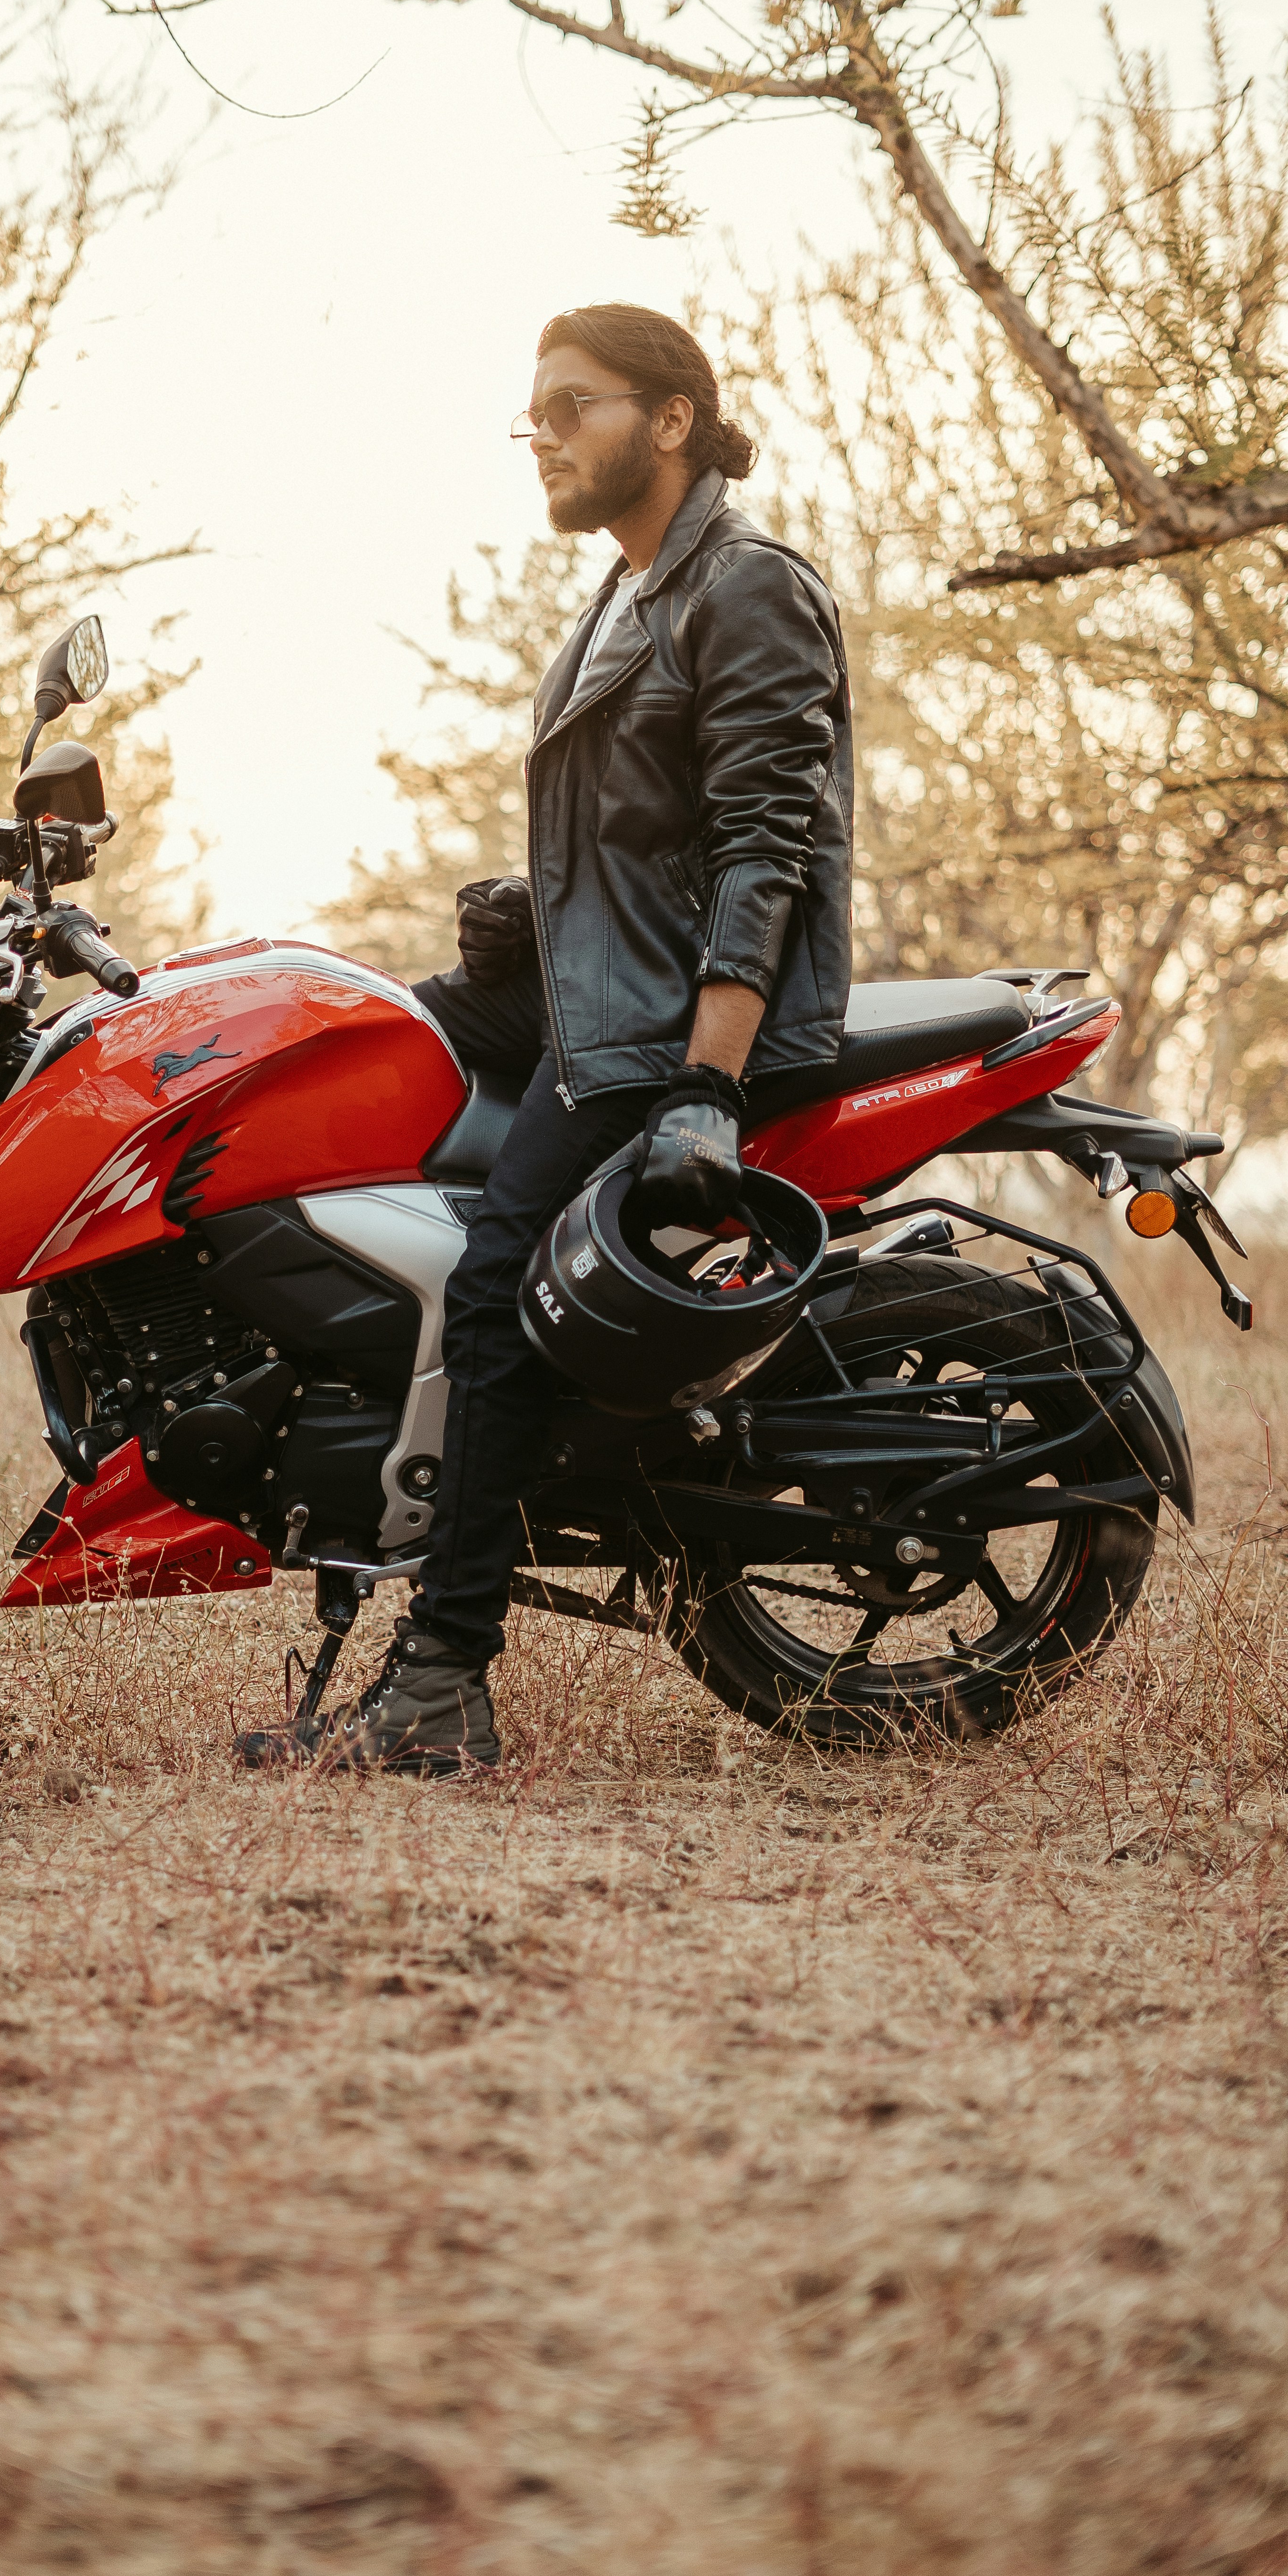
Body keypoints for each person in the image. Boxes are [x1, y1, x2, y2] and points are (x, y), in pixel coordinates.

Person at [241, 302, 853, 1773]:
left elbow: (765, 851)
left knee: (496, 1282)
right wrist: (533, 908)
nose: (542, 436)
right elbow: (651, 831)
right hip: (600, 984)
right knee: (336, 1044)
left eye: (573, 407)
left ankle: (445, 1679)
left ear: (671, 420)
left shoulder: (745, 587)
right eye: (533, 414)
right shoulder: (630, 590)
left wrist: (705, 1082)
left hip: (672, 1022)